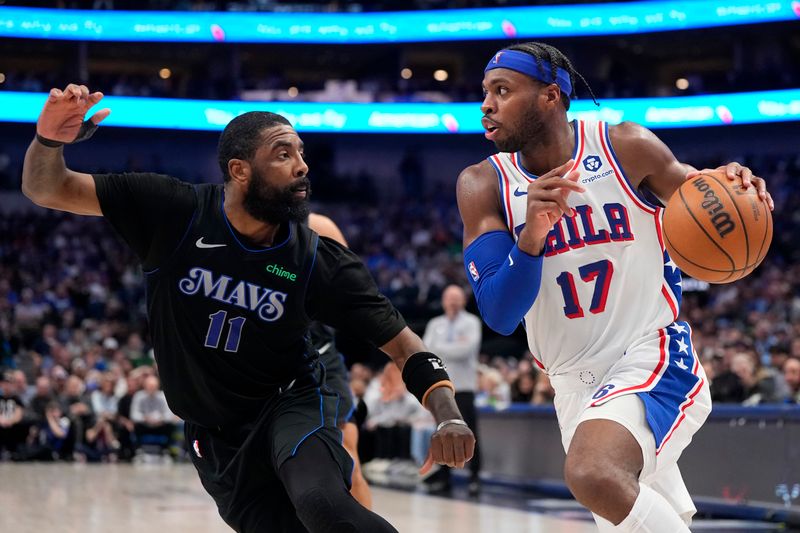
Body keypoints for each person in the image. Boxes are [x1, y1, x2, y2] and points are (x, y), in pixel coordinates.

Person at [22, 83, 474, 533]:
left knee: (324, 504)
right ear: (239, 170)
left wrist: (448, 414)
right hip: (213, 429)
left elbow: (404, 345)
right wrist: (48, 141)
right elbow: (47, 187)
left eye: (301, 153)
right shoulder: (173, 211)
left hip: (289, 402)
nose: (302, 166)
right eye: (283, 154)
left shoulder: (317, 257)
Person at [456, 41, 774, 532]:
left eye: (502, 90)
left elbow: (709, 200)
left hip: (649, 355)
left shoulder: (626, 147)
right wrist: (531, 237)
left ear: (550, 96)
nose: (486, 104)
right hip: (571, 386)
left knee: (592, 472)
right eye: (485, 92)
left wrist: (736, 185)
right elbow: (499, 314)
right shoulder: (483, 185)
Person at [306, 212, 372, 509]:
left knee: (349, 458)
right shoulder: (235, 227)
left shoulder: (317, 226)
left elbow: (352, 285)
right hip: (267, 360)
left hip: (320, 356)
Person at [421, 284, 482, 494]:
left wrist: (439, 349)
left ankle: (474, 478)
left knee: (471, 433)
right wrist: (448, 348)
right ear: (444, 301)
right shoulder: (435, 323)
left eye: (457, 298)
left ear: (463, 300)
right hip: (441, 388)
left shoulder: (472, 322)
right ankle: (444, 478)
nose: (453, 302)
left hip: (464, 387)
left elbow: (465, 351)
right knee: (441, 433)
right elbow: (426, 351)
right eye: (449, 298)